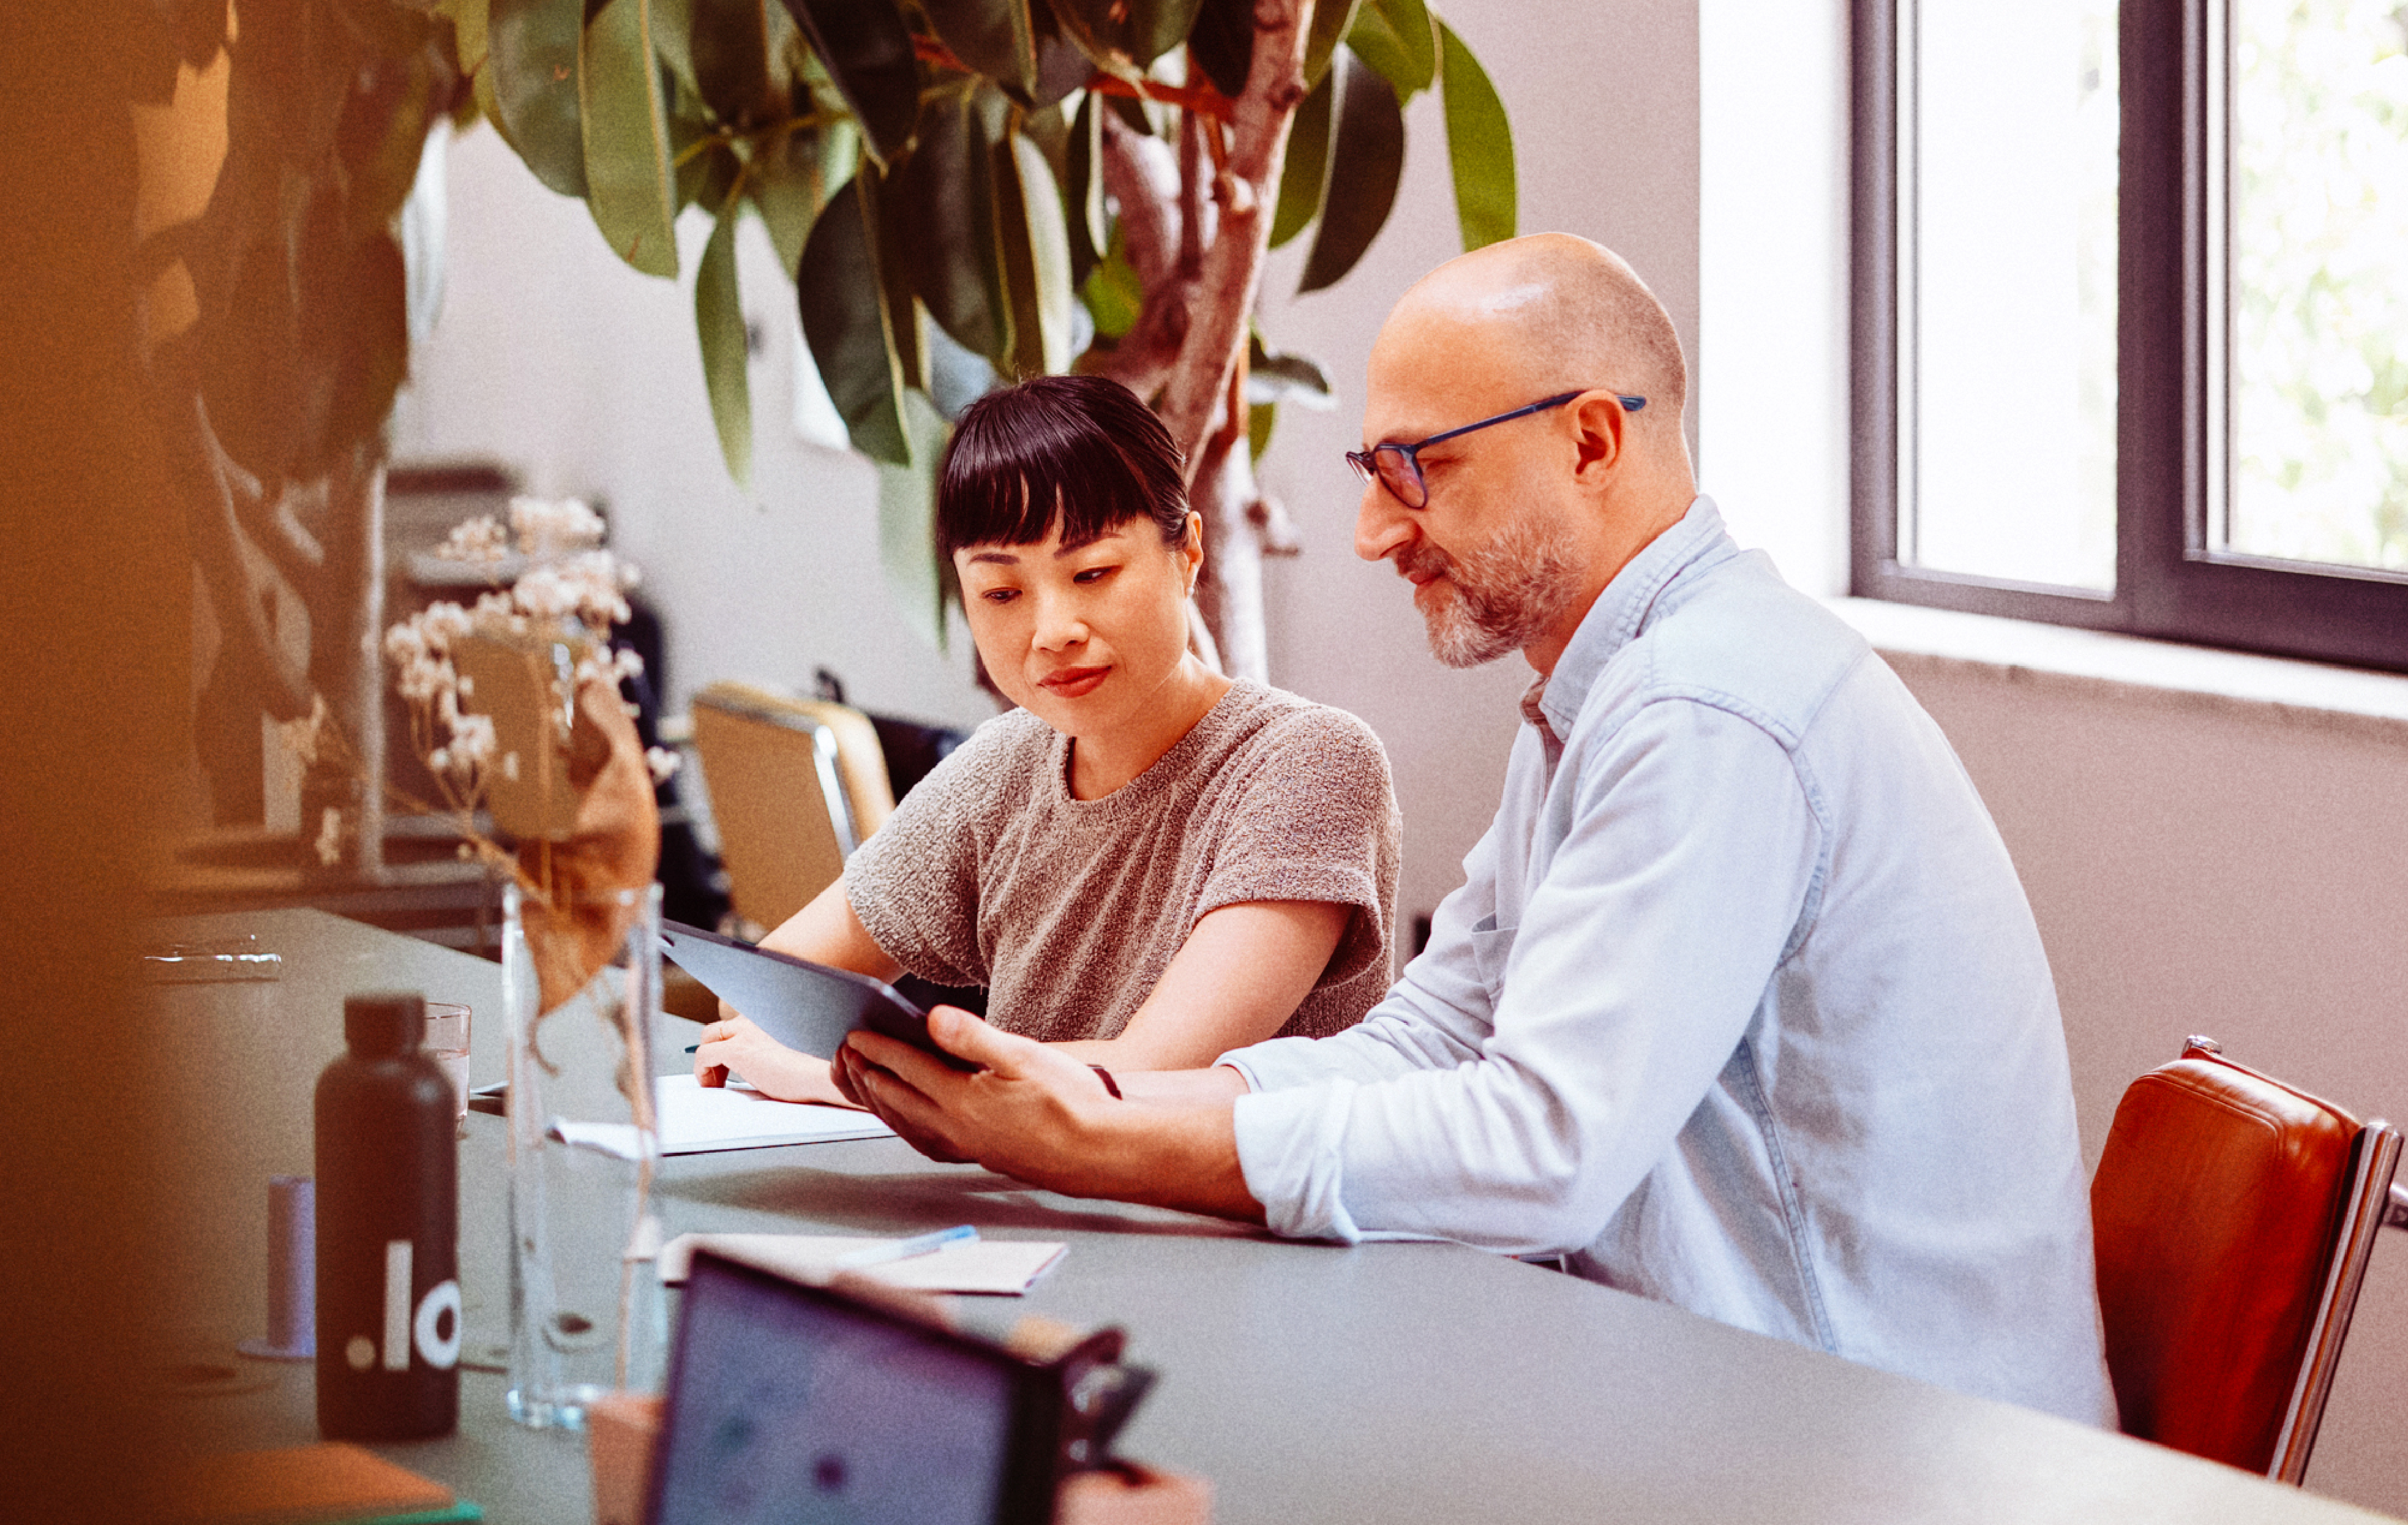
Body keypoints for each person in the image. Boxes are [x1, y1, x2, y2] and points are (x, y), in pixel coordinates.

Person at [831, 234, 2117, 1425]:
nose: (1373, 529)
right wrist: (1111, 1097)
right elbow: (1440, 1032)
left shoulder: (1702, 712)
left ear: (1592, 443)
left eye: (1420, 470)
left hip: (1874, 1446)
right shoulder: (1600, 697)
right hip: (1731, 1402)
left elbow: (1541, 1145)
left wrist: (1107, 1136)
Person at [695, 374, 1400, 1107]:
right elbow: (764, 996)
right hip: (1027, 1211)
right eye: (1002, 593)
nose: (1052, 631)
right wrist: (788, 1047)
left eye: (1092, 573)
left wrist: (828, 1077)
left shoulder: (1309, 763)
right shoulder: (1004, 765)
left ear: (1187, 553)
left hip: (1225, 1218)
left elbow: (1148, 1074)